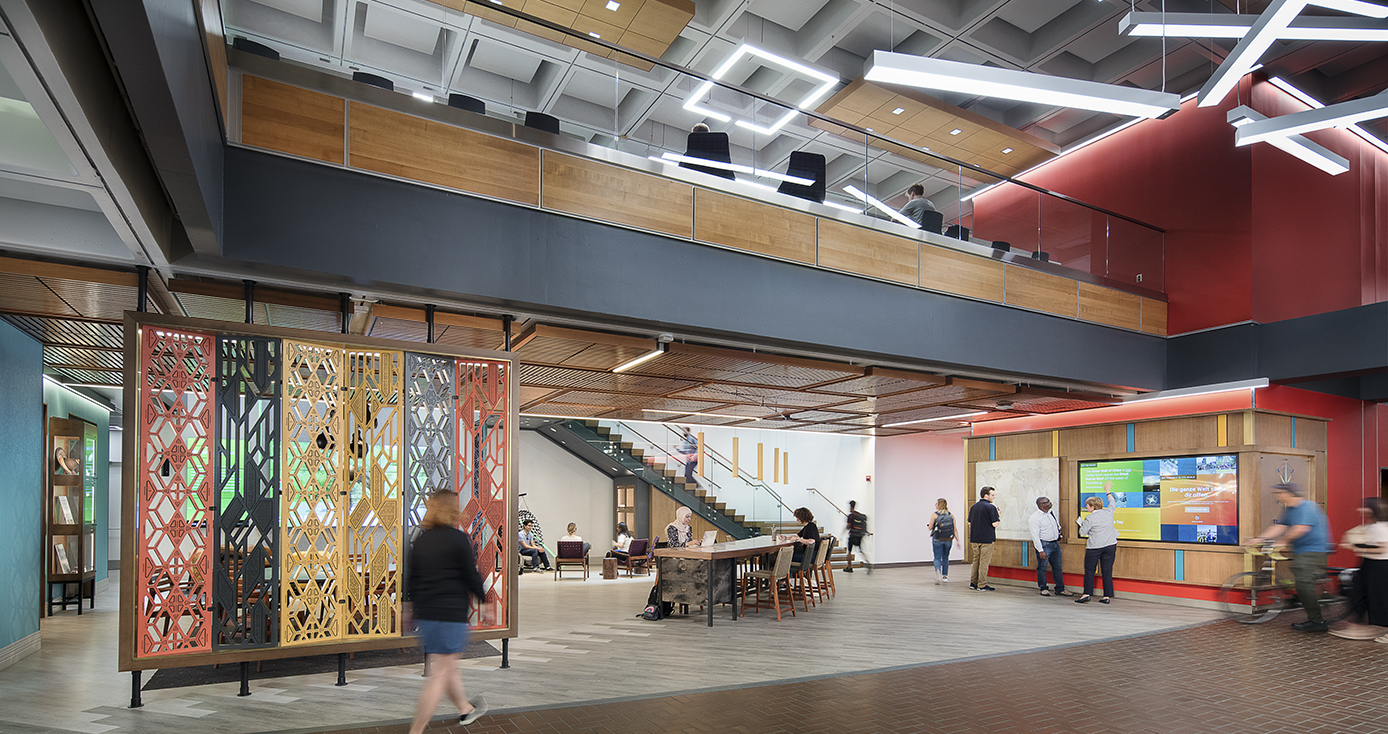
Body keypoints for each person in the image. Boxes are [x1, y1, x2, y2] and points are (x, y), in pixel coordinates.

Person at [405, 489, 488, 733]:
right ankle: (416, 730)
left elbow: (412, 579)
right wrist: (485, 601)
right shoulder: (457, 539)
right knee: (440, 673)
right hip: (450, 613)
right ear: (452, 509)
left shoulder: (421, 539)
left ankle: (465, 708)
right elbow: (470, 575)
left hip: (429, 615)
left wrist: (410, 609)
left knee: (447, 665)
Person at [1248, 482, 1334, 631]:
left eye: (1279, 493)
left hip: (1314, 548)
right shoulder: (1290, 510)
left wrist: (1283, 542)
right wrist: (1259, 539)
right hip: (1301, 549)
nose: (1278, 496)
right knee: (1300, 575)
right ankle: (1305, 598)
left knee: (1301, 579)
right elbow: (1279, 526)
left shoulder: (1306, 507)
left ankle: (1317, 622)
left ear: (1290, 493)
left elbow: (1301, 529)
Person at [1332, 499, 1388, 639]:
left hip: (1379, 565)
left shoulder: (1380, 527)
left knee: (1377, 597)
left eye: (1363, 507)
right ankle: (1369, 625)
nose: (1359, 510)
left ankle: (1382, 629)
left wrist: (1356, 548)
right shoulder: (1371, 526)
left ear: (1371, 510)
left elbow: (1382, 549)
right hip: (1369, 564)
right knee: (1360, 592)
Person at [1076, 485, 1120, 604]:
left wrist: (1083, 524)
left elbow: (1082, 532)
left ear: (1092, 507)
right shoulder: (1108, 512)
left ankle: (1086, 594)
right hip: (1111, 545)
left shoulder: (1090, 518)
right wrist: (1108, 492)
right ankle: (1106, 596)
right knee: (1107, 570)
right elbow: (1112, 502)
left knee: (1090, 570)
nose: (1086, 507)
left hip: (1094, 547)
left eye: (1087, 505)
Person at [1030, 496, 1071, 597]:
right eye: (1047, 502)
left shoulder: (1051, 513)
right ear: (1041, 505)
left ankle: (1060, 588)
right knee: (1042, 567)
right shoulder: (1034, 518)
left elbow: (1056, 525)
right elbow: (1035, 535)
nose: (1050, 503)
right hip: (1044, 545)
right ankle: (1043, 588)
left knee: (1057, 567)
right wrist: (1040, 550)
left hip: (1055, 544)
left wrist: (1059, 530)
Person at [967, 487, 1000, 591]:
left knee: (975, 561)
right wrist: (998, 515)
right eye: (992, 495)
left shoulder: (974, 507)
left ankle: (973, 583)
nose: (994, 497)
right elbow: (995, 524)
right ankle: (982, 585)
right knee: (984, 563)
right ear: (986, 495)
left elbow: (969, 524)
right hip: (987, 539)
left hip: (974, 538)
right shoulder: (991, 507)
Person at [929, 498, 958, 584]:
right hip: (948, 539)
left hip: (937, 539)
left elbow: (930, 527)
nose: (935, 505)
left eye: (936, 503)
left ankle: (938, 571)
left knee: (937, 557)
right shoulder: (951, 515)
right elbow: (955, 529)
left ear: (939, 505)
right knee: (945, 557)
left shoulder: (934, 515)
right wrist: (958, 540)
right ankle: (945, 576)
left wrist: (931, 526)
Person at [843, 500, 870, 573]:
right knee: (860, 550)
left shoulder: (851, 516)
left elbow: (848, 526)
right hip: (860, 535)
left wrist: (843, 532)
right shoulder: (859, 515)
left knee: (849, 551)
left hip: (853, 535)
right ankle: (868, 562)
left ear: (850, 506)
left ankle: (849, 567)